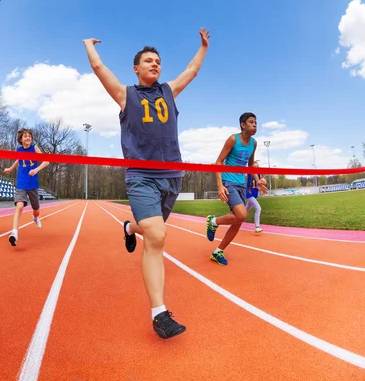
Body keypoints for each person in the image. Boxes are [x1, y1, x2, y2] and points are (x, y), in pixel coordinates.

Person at [83, 27, 210, 339]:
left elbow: (191, 71)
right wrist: (89, 45)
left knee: (152, 232)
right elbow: (100, 69)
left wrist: (203, 46)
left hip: (172, 178)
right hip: (141, 177)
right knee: (157, 235)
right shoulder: (127, 94)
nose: (155, 64)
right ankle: (159, 313)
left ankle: (129, 228)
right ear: (136, 68)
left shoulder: (169, 90)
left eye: (158, 61)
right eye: (149, 61)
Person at [205, 112, 267, 265]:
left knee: (238, 221)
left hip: (241, 183)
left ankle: (218, 251)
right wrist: (220, 185)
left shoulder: (254, 143)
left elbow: (250, 166)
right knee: (242, 214)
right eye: (251, 122)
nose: (255, 125)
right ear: (243, 124)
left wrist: (258, 181)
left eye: (256, 122)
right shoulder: (233, 139)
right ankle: (213, 221)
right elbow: (218, 162)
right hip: (229, 182)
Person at [3, 128, 49, 247]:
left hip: (33, 184)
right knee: (19, 207)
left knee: (36, 209)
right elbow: (18, 160)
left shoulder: (35, 148)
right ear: (21, 139)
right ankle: (14, 233)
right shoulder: (19, 150)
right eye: (25, 136)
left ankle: (35, 217)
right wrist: (10, 168)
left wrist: (36, 169)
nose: (28, 138)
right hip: (21, 184)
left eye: (29, 136)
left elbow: (47, 161)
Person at [246, 161, 264, 233]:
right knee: (258, 208)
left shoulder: (259, 175)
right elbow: (246, 174)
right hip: (249, 194)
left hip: (254, 195)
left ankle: (236, 220)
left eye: (257, 167)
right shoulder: (249, 173)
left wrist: (262, 186)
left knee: (244, 211)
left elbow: (263, 181)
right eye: (254, 167)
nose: (255, 168)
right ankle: (257, 227)